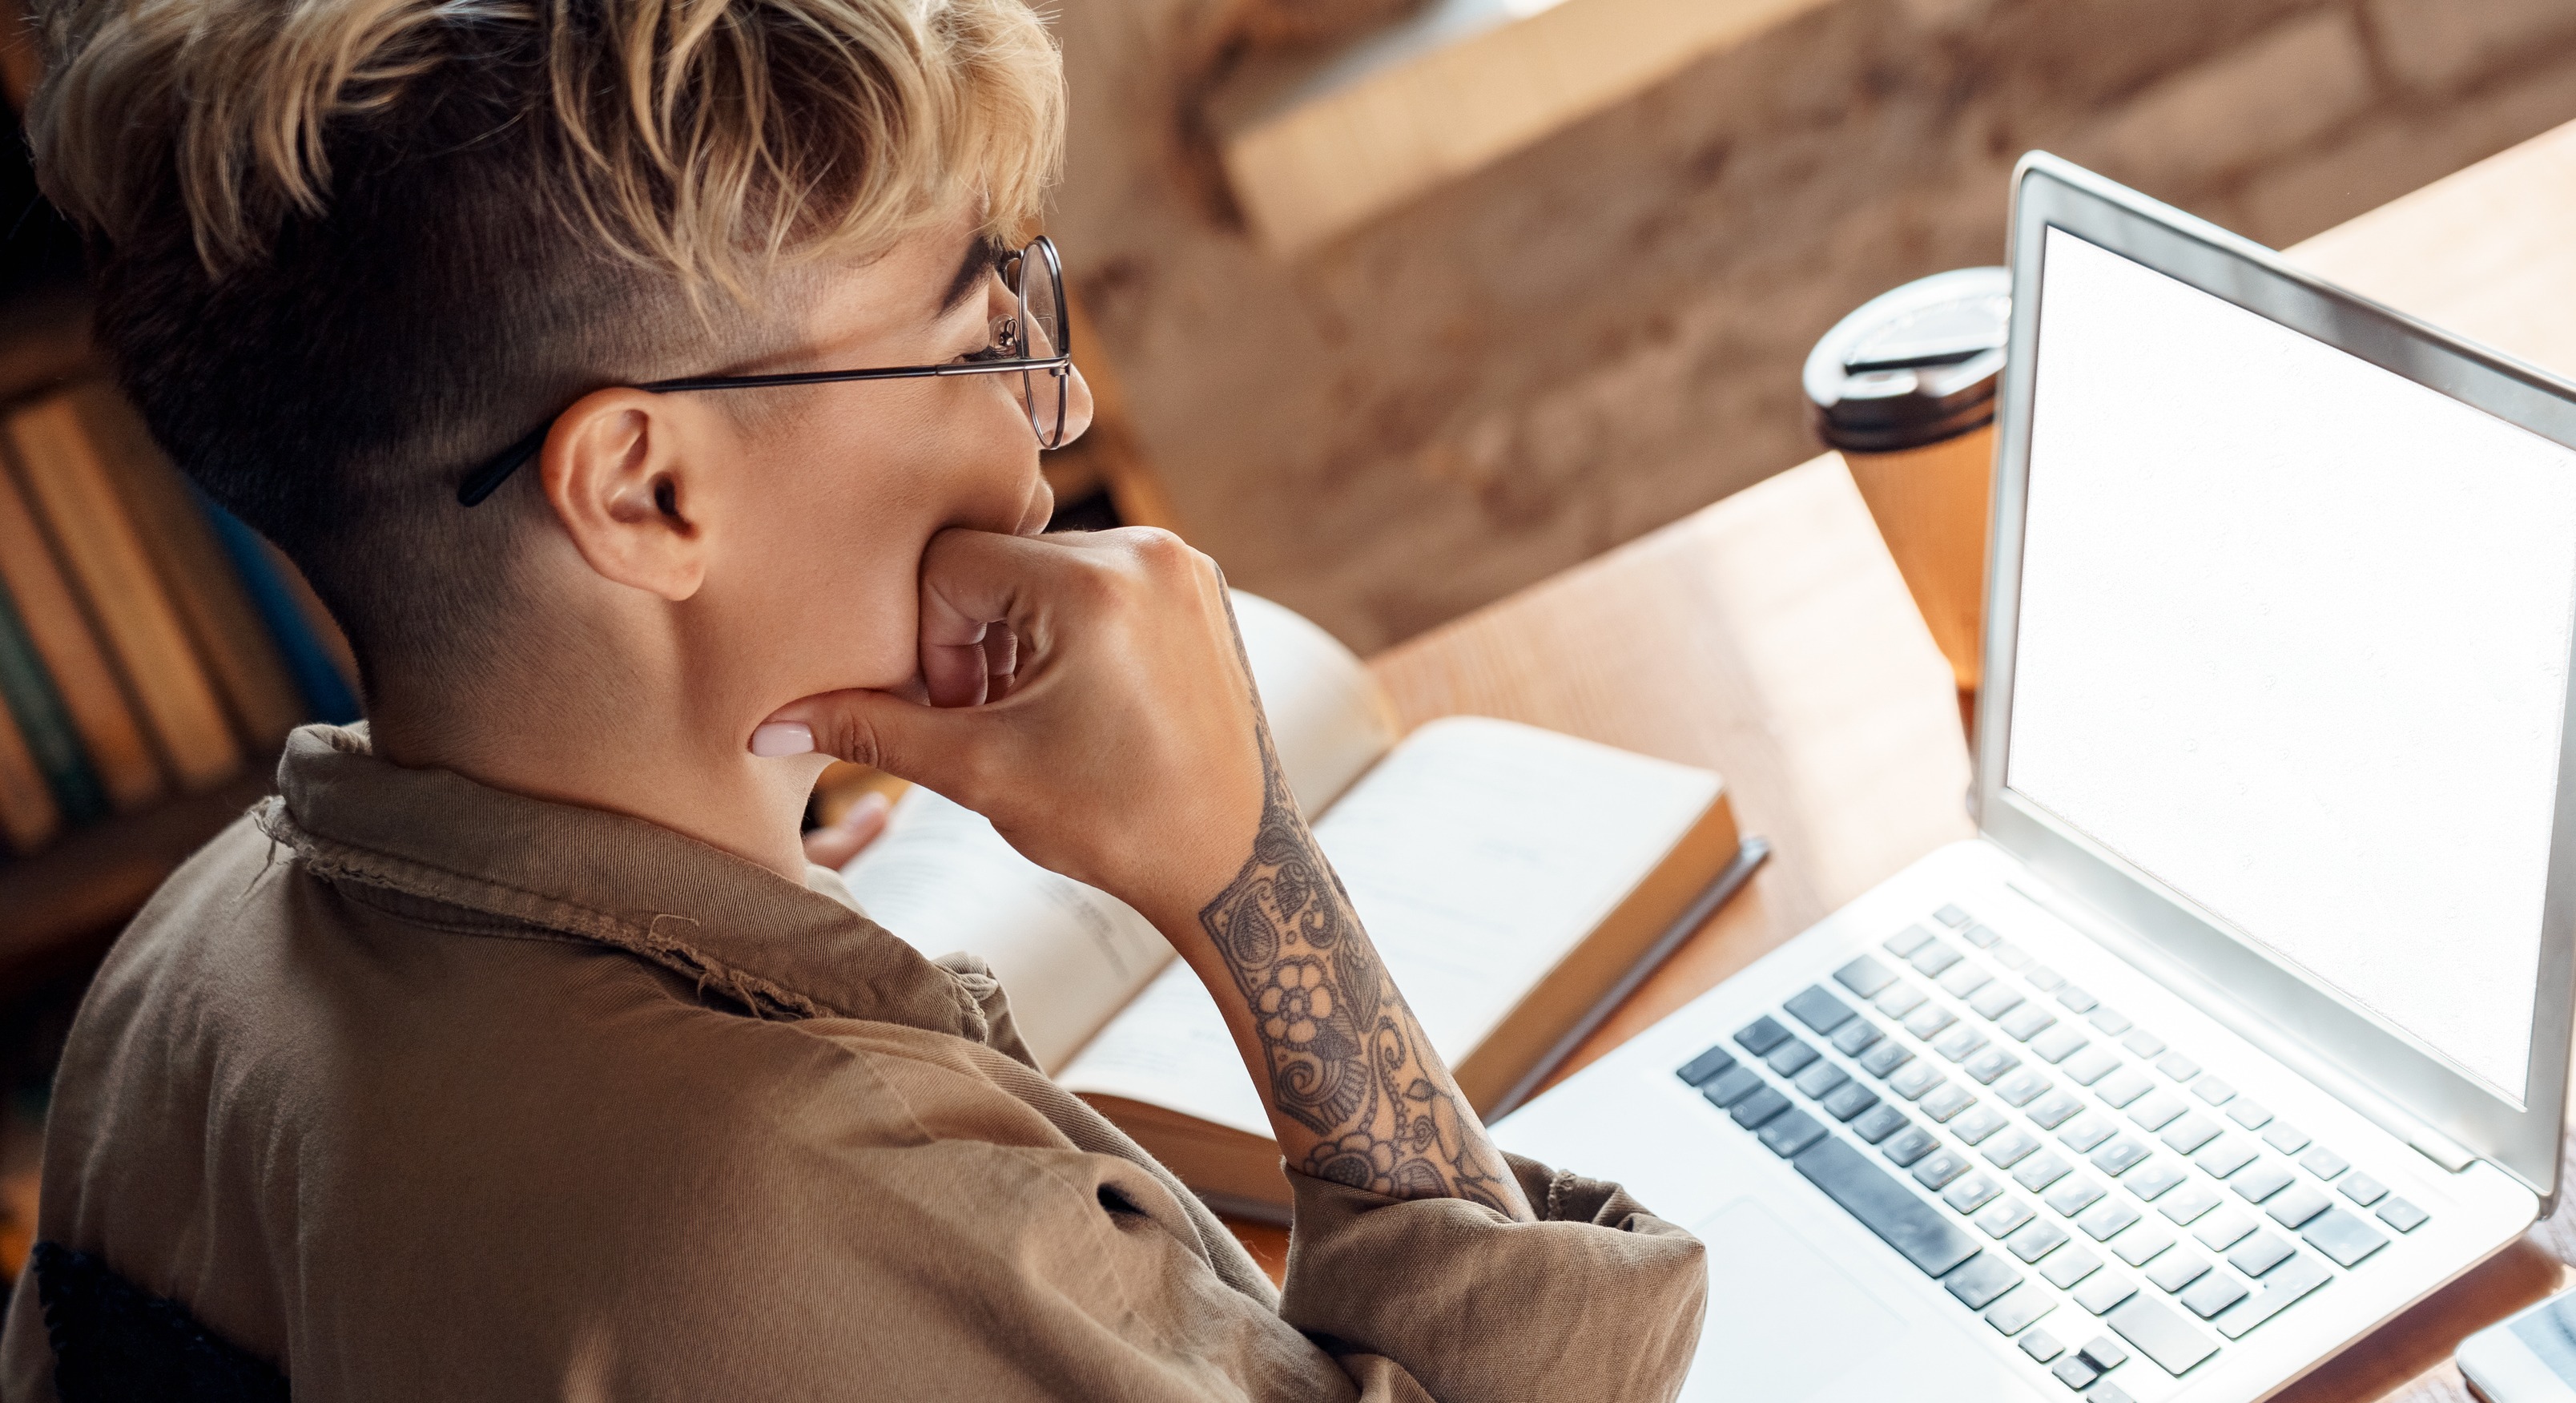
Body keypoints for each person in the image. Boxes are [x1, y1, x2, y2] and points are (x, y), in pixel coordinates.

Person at [0, 0, 1708, 1393]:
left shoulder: (181, 969)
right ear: (649, 494)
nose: (1048, 409)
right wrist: (1250, 874)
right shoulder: (817, 1201)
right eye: (975, 343)